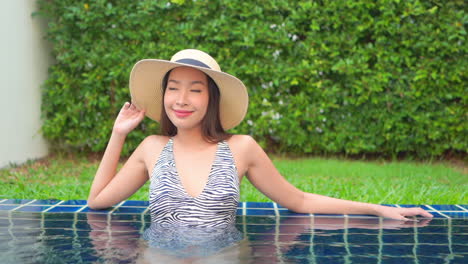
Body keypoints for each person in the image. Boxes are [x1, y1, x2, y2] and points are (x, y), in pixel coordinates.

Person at [87, 49, 433, 226]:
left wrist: (378, 209)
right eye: (173, 89)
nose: (181, 99)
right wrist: (118, 135)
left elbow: (299, 201)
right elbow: (97, 202)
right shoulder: (152, 148)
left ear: (211, 99)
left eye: (195, 90)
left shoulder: (241, 148)